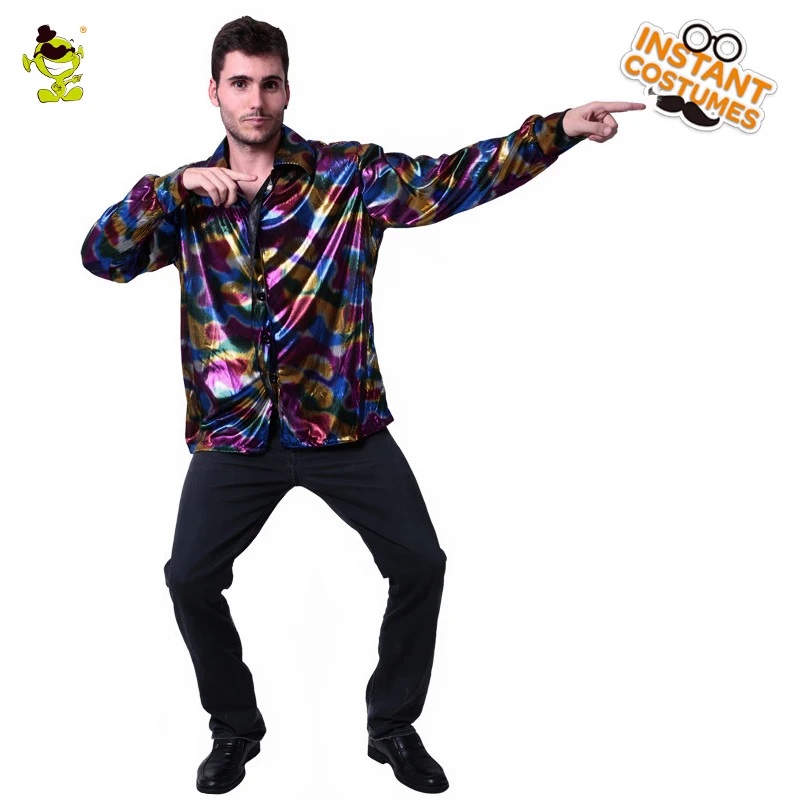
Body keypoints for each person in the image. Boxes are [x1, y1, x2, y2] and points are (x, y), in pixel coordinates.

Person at [80, 14, 644, 796]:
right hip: (234, 435)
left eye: (269, 83)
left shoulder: (345, 176)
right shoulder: (187, 200)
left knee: (420, 564)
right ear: (214, 92)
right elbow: (101, 257)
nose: (255, 99)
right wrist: (167, 188)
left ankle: (392, 726)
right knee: (189, 577)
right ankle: (234, 728)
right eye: (240, 83)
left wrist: (558, 131)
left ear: (287, 89)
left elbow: (451, 180)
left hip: (340, 425)